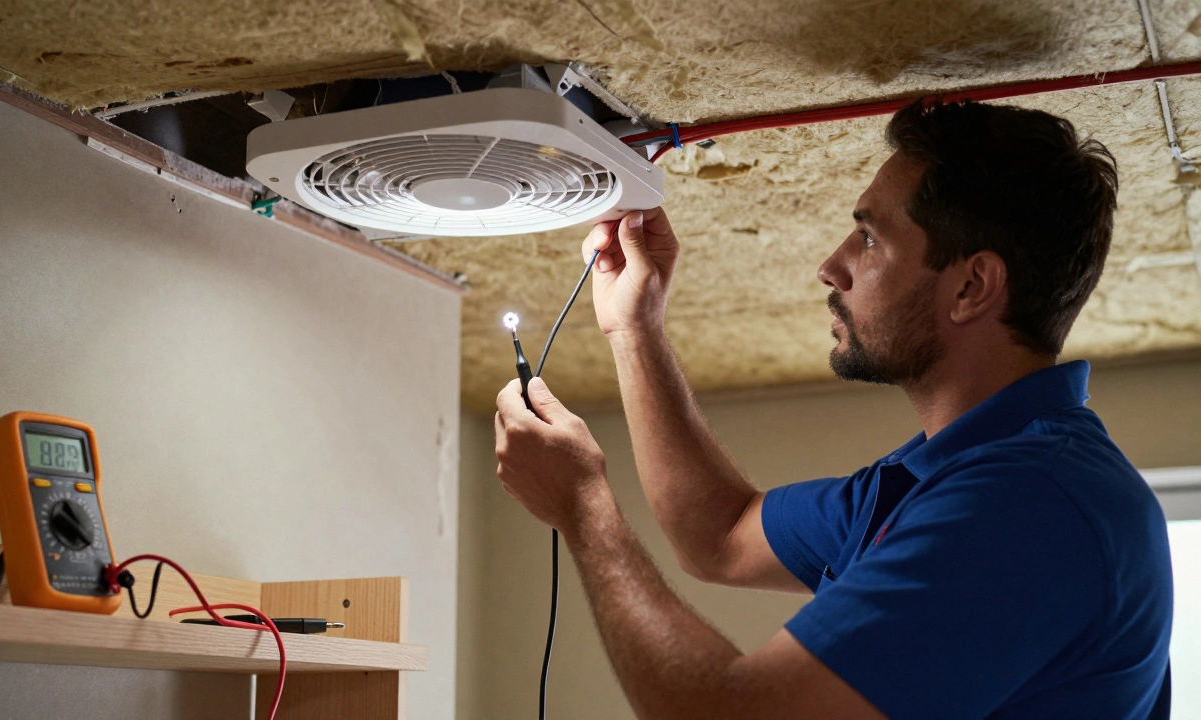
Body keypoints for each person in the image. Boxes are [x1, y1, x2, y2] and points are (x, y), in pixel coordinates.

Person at [493, 99, 1173, 719]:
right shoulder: (932, 483)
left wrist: (582, 509)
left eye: (870, 239)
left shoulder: (1029, 504)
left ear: (971, 287)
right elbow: (721, 535)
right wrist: (634, 328)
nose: (830, 265)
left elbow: (735, 714)